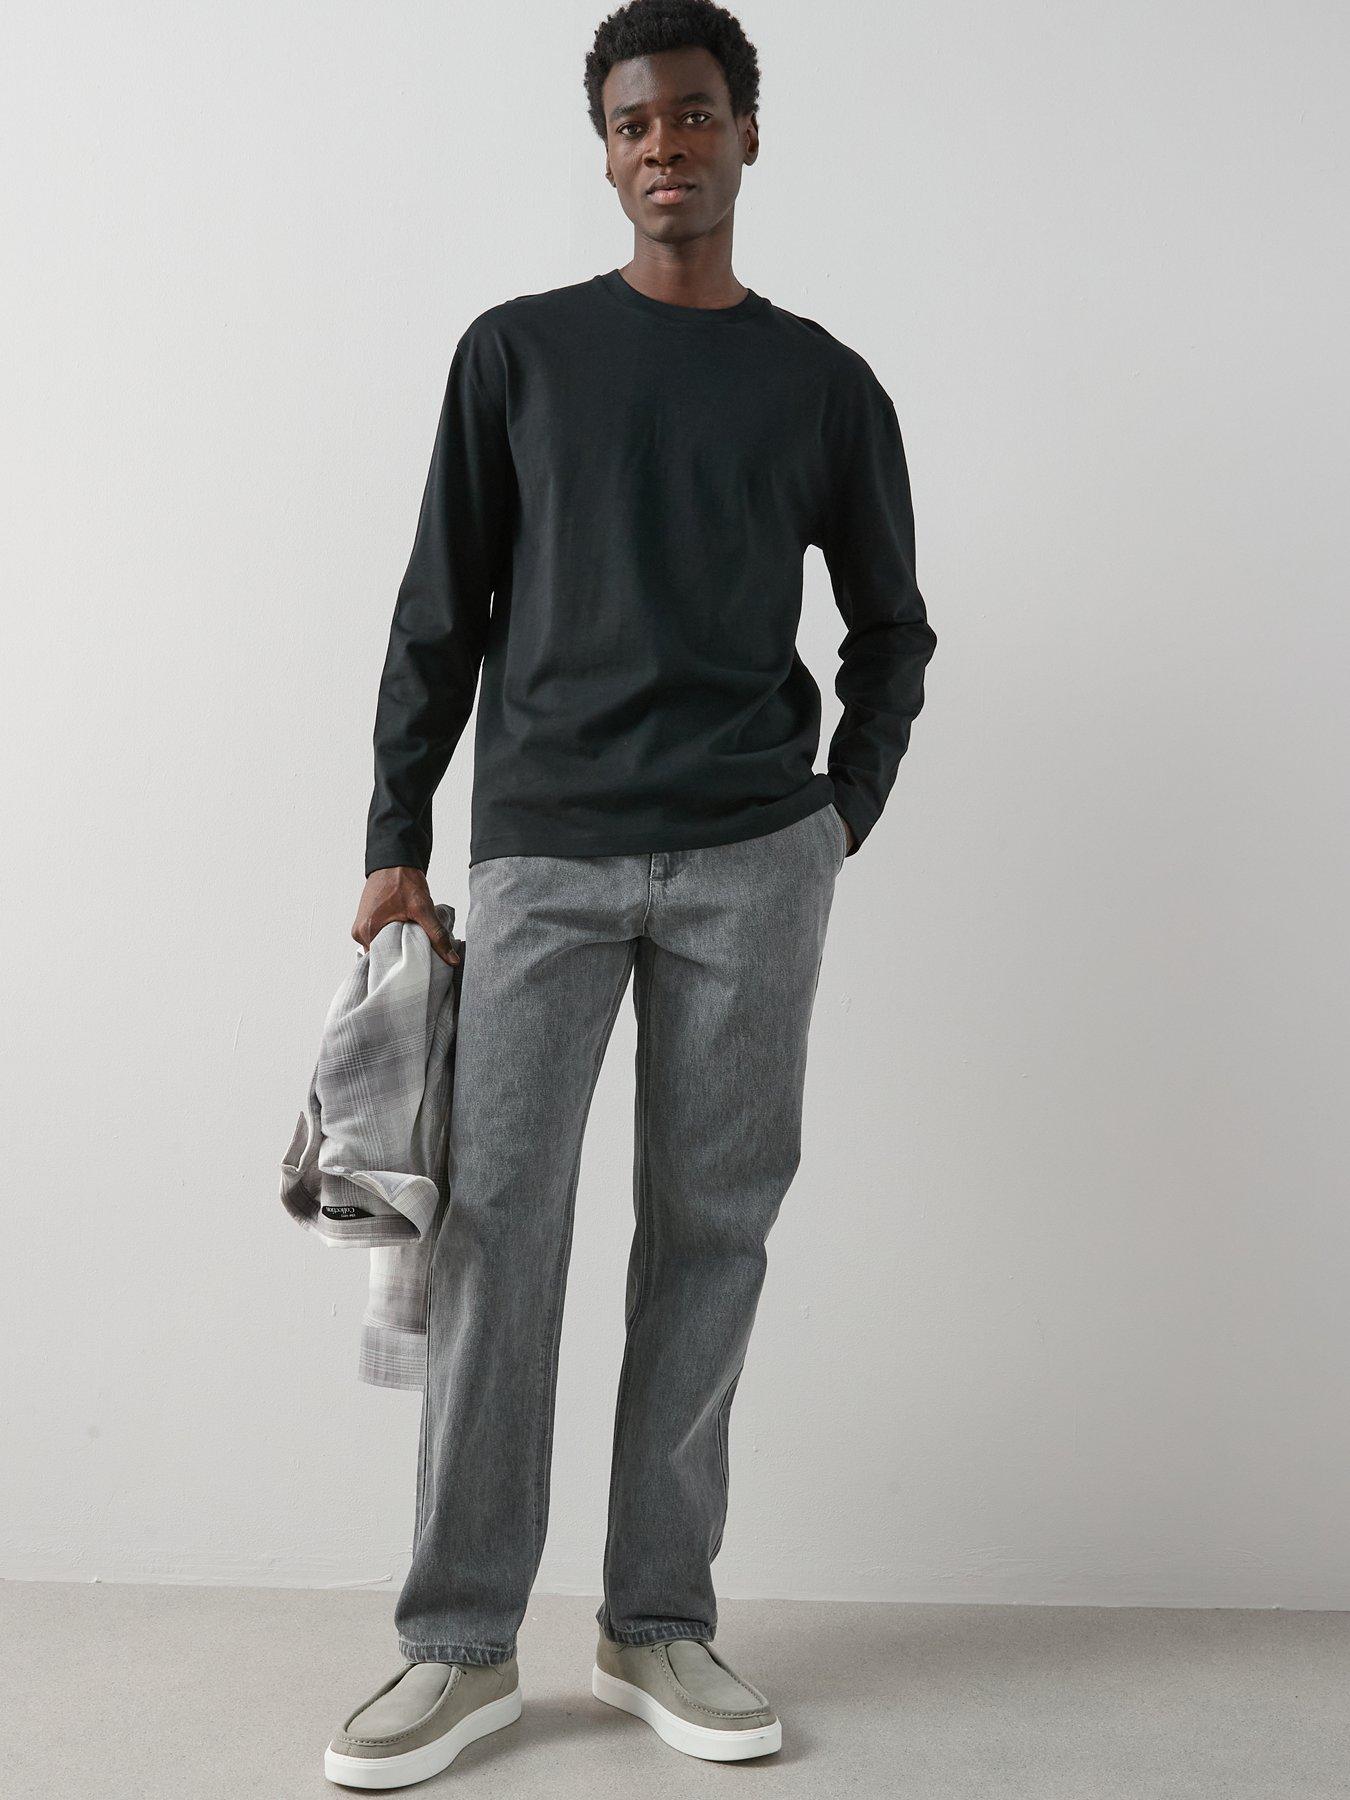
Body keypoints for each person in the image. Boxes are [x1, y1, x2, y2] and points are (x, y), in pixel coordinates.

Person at [326, 0, 936, 1785]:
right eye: (631, 122)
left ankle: (656, 1618)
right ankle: (458, 1646)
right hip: (545, 854)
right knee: (495, 1237)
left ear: (747, 133)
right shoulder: (517, 355)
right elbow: (438, 609)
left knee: (709, 1240)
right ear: (603, 155)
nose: (664, 144)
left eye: (692, 112)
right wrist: (393, 833)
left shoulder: (823, 385)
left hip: (754, 863)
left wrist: (834, 819)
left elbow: (891, 630)